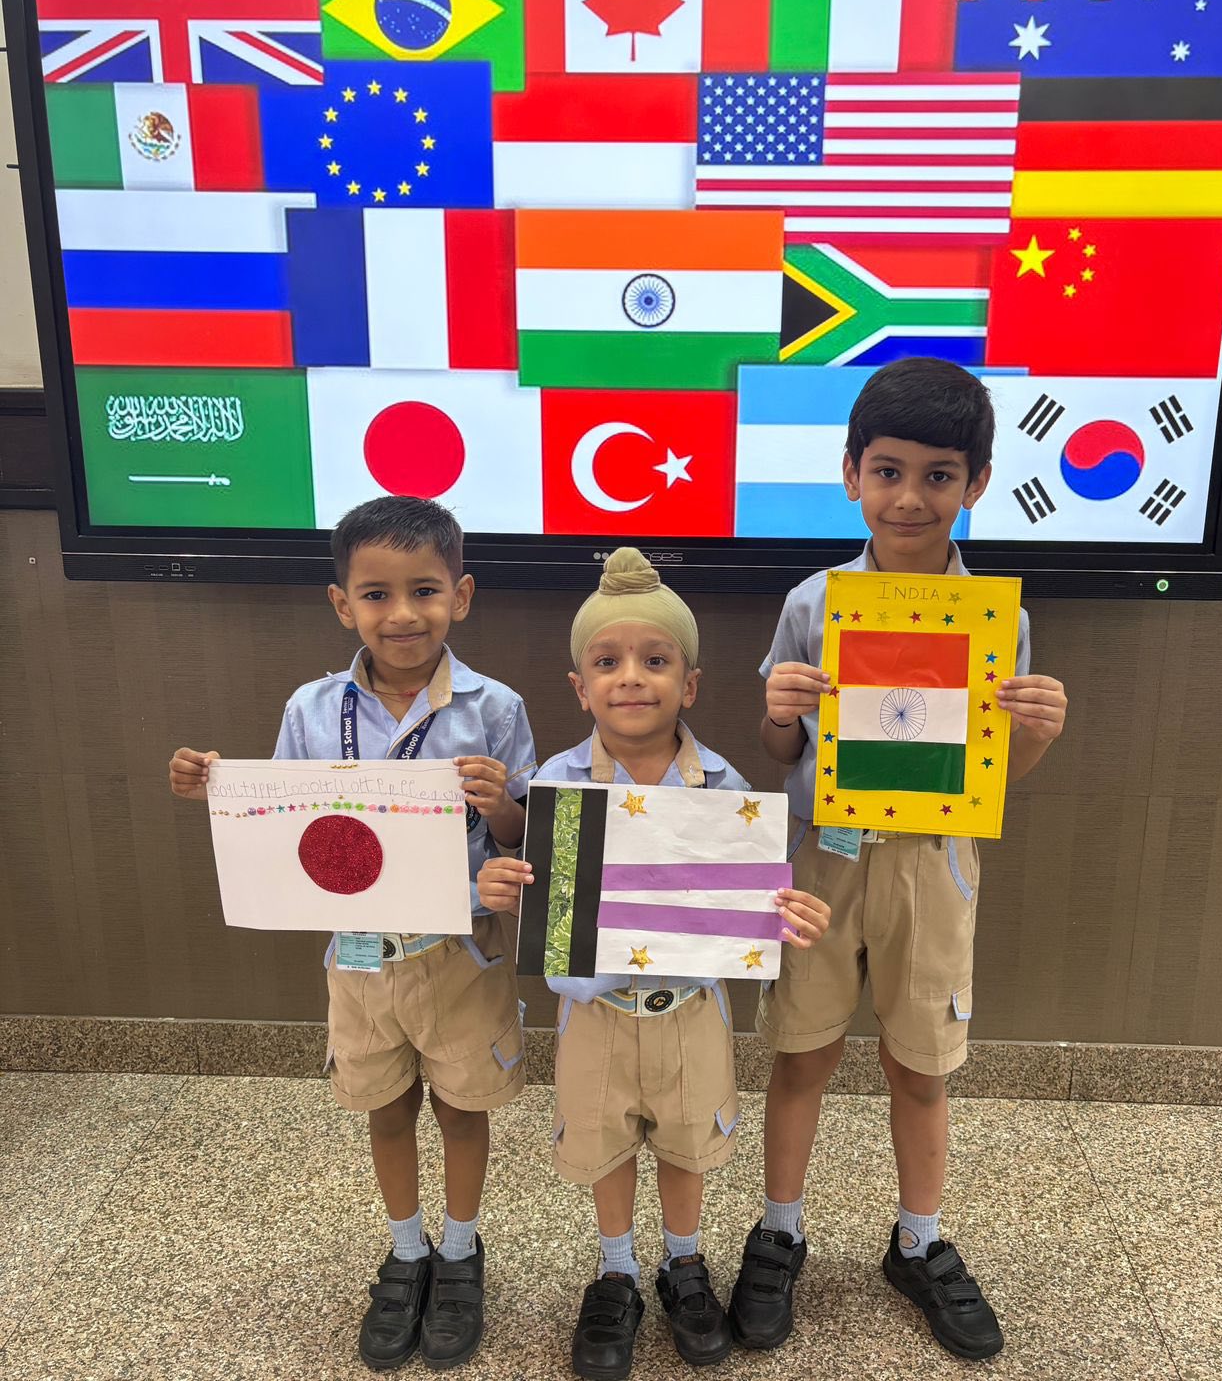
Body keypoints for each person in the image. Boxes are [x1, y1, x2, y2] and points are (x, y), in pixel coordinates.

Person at [728, 359, 1069, 1361]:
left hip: (931, 865)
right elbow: (781, 752)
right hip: (822, 863)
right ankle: (779, 1230)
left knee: (921, 1066)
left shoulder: (996, 618)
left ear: (976, 482)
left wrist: (1036, 732)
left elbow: (992, 774)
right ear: (850, 475)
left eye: (938, 475)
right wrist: (777, 711)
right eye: (887, 471)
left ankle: (917, 1240)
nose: (910, 497)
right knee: (801, 1052)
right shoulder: (813, 601)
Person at [169, 496, 535, 1373]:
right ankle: (406, 1252)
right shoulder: (311, 708)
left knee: (462, 1108)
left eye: (425, 591)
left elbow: (528, 837)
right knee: (384, 1107)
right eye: (376, 594)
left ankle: (460, 1251)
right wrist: (215, 787)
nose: (402, 614)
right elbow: (283, 822)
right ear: (343, 605)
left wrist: (504, 808)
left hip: (461, 952)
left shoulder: (494, 707)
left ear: (461, 596)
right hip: (360, 961)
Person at [478, 548, 830, 1380]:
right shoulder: (556, 783)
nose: (631, 678)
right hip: (594, 1014)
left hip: (691, 1013)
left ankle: (683, 1262)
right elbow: (540, 890)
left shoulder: (724, 788)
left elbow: (750, 894)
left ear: (690, 684)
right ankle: (616, 1272)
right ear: (580, 687)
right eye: (607, 662)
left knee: (685, 1144)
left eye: (656, 661)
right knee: (605, 1147)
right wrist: (503, 884)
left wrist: (787, 910)